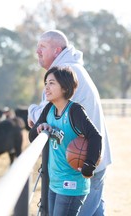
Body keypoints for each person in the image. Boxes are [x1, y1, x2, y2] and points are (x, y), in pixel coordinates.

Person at [28, 30, 112, 215]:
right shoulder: (72, 69)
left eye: (42, 46)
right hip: (87, 161)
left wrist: (31, 110)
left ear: (57, 50)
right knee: (95, 210)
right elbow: (39, 124)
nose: (37, 51)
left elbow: (39, 114)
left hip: (81, 166)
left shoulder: (62, 74)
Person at [29, 66, 102, 216]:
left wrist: (89, 165)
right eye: (45, 83)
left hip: (72, 184)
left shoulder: (74, 111)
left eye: (51, 83)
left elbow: (95, 137)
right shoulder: (49, 109)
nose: (46, 88)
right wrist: (40, 128)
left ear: (64, 87)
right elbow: (31, 137)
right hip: (54, 182)